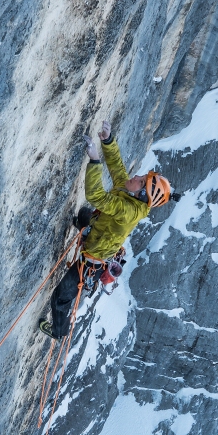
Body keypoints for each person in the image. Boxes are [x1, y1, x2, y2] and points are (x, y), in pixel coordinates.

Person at [38, 120, 174, 339]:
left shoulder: (129, 210)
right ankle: (84, 226)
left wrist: (94, 160)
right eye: (142, 178)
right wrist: (107, 140)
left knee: (61, 297)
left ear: (141, 196)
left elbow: (96, 196)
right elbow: (118, 168)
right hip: (98, 231)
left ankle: (58, 331)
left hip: (93, 259)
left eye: (141, 182)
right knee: (84, 215)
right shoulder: (130, 192)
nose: (137, 177)